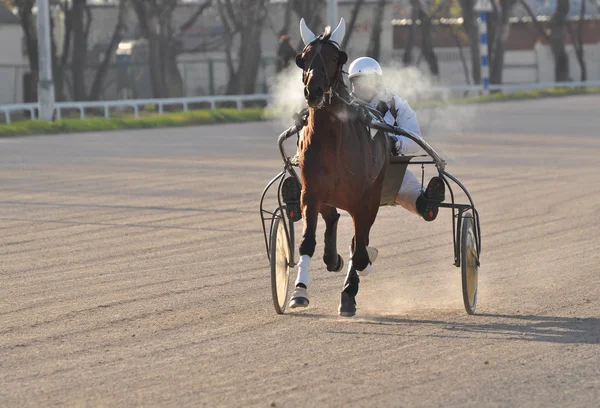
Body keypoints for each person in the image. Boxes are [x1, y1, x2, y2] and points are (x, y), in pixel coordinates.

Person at [348, 56, 445, 221]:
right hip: (349, 171)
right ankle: (300, 199)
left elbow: (415, 141)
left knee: (407, 185)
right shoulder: (343, 105)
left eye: (366, 81)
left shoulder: (396, 106)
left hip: (388, 170)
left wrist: (393, 143)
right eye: (356, 82)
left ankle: (425, 204)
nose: (360, 86)